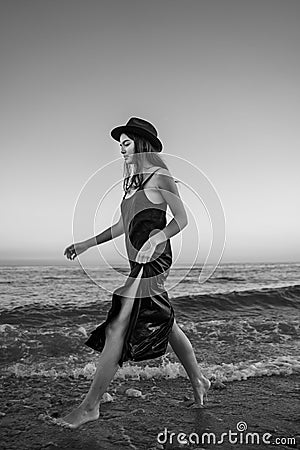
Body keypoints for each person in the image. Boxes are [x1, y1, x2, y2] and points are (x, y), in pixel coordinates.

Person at [58, 117, 210, 429]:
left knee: (118, 326)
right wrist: (86, 244)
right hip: (136, 263)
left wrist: (156, 237)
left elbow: (181, 220)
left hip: (153, 261)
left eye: (126, 143)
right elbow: (121, 225)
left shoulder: (160, 176)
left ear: (142, 144)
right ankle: (199, 381)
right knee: (167, 325)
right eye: (120, 145)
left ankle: (90, 407)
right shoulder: (133, 185)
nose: (122, 150)